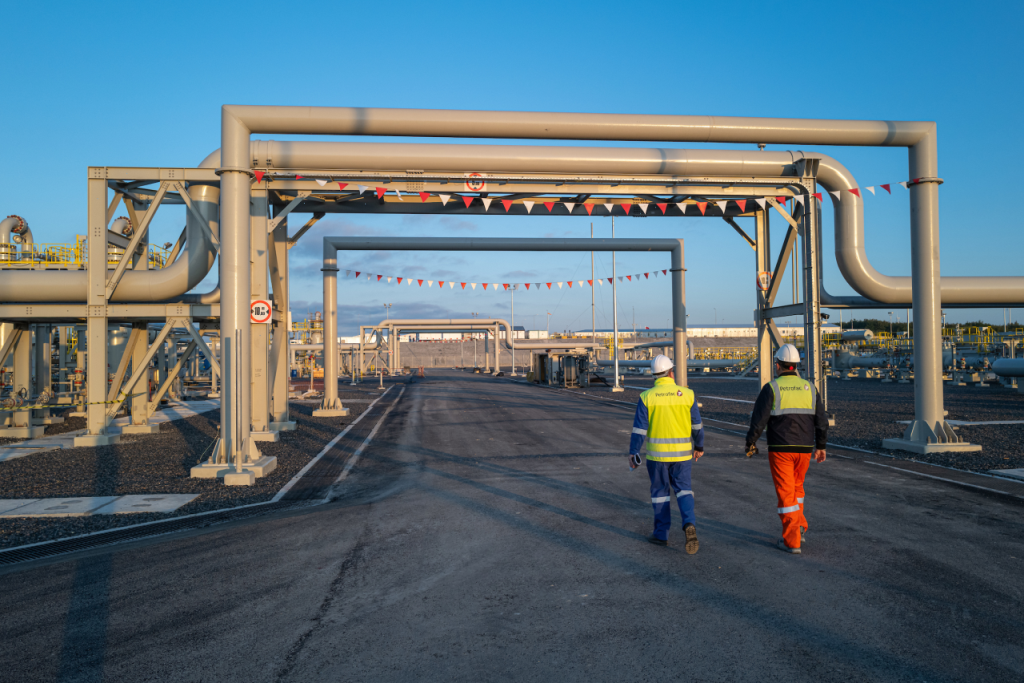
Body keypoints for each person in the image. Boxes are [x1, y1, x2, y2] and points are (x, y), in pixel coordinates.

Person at [744, 344, 828, 555]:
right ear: (796, 365)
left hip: (781, 448)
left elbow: (759, 420)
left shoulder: (771, 388)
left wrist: (750, 442)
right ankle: (798, 526)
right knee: (797, 489)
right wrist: (822, 446)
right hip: (805, 449)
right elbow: (821, 420)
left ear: (777, 365)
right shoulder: (810, 388)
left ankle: (792, 541)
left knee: (786, 494)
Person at [628, 354, 704, 553]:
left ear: (654, 375)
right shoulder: (687, 394)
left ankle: (661, 535)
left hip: (657, 457)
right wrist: (699, 446)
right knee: (684, 490)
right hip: (683, 456)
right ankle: (689, 524)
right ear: (672, 372)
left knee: (660, 494)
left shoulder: (647, 397)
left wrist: (633, 451)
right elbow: (697, 425)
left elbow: (639, 429)